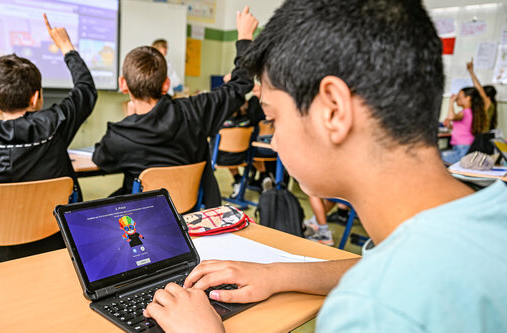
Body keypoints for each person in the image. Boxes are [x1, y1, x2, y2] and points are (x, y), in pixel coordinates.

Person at [141, 1, 507, 332]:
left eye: (273, 118)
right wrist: (277, 274)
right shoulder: (487, 214)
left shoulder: (370, 312)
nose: (275, 140)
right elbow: (377, 266)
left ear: (333, 110)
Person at [0, 14, 97, 265]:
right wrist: (66, 47)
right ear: (35, 98)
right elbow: (86, 89)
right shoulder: (54, 124)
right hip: (57, 242)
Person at [93, 8, 256, 208]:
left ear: (123, 84)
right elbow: (240, 84)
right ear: (166, 85)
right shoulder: (196, 110)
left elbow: (100, 161)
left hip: (143, 220)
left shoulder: (119, 136)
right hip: (192, 213)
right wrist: (245, 37)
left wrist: (130, 119)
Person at [441, 87, 486, 164]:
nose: (456, 99)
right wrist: (450, 126)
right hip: (466, 146)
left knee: (437, 157)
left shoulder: (465, 112)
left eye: (459, 97)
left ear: (468, 98)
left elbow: (451, 117)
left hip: (462, 147)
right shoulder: (471, 112)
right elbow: (463, 127)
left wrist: (451, 101)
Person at [466, 59, 498, 131]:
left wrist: (471, 72)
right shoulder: (490, 105)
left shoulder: (488, 103)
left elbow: (479, 89)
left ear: (488, 97)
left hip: (481, 137)